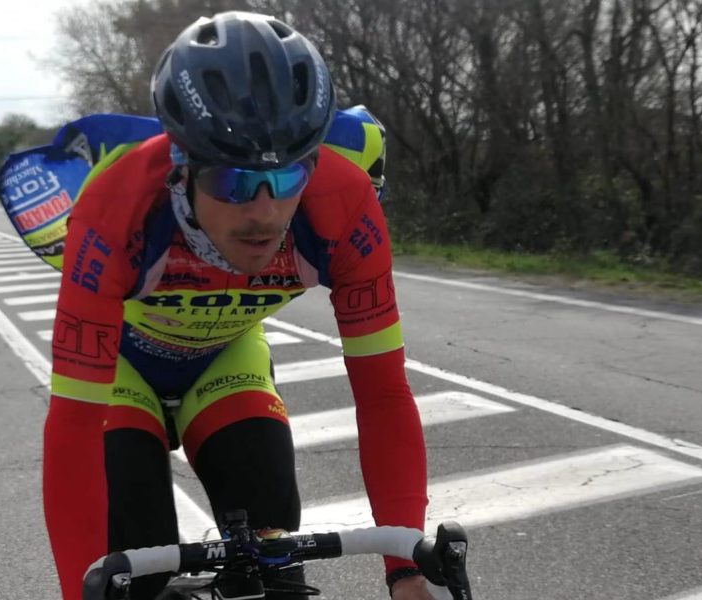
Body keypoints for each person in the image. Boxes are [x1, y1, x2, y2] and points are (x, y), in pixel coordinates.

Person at [39, 11, 429, 600]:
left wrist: (408, 571)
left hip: (223, 360)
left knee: (274, 559)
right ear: (182, 163)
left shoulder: (343, 205)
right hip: (123, 370)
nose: (266, 211)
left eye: (289, 174)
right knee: (135, 568)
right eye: (234, 181)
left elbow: (383, 394)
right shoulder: (117, 208)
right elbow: (71, 430)